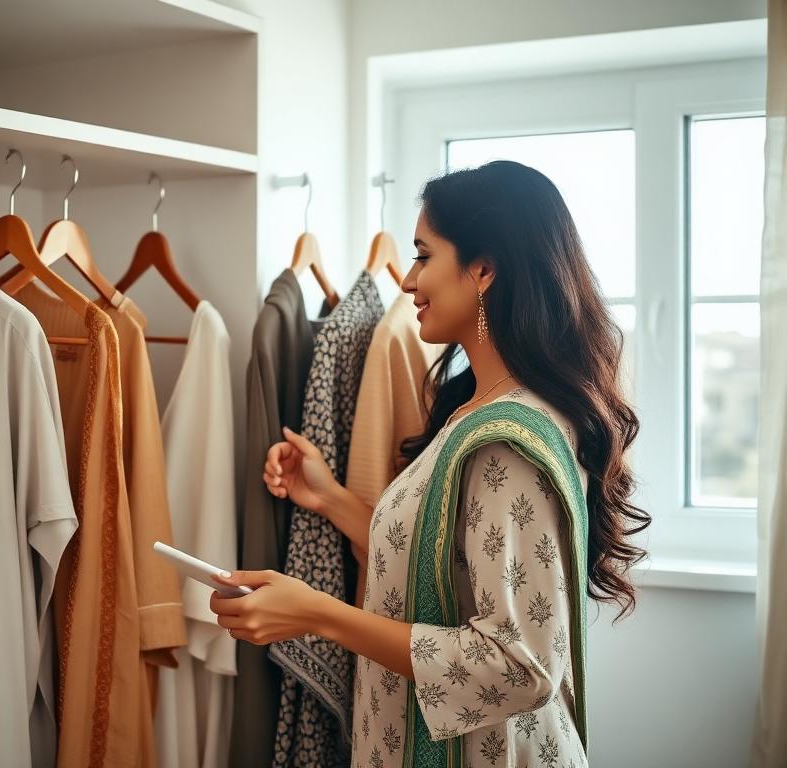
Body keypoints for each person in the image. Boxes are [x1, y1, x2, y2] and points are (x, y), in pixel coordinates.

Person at [211, 161, 649, 767]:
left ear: (484, 269)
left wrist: (316, 613)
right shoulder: (482, 407)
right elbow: (438, 568)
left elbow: (516, 664)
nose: (409, 281)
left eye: (423, 255)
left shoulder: (505, 440)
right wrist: (330, 497)